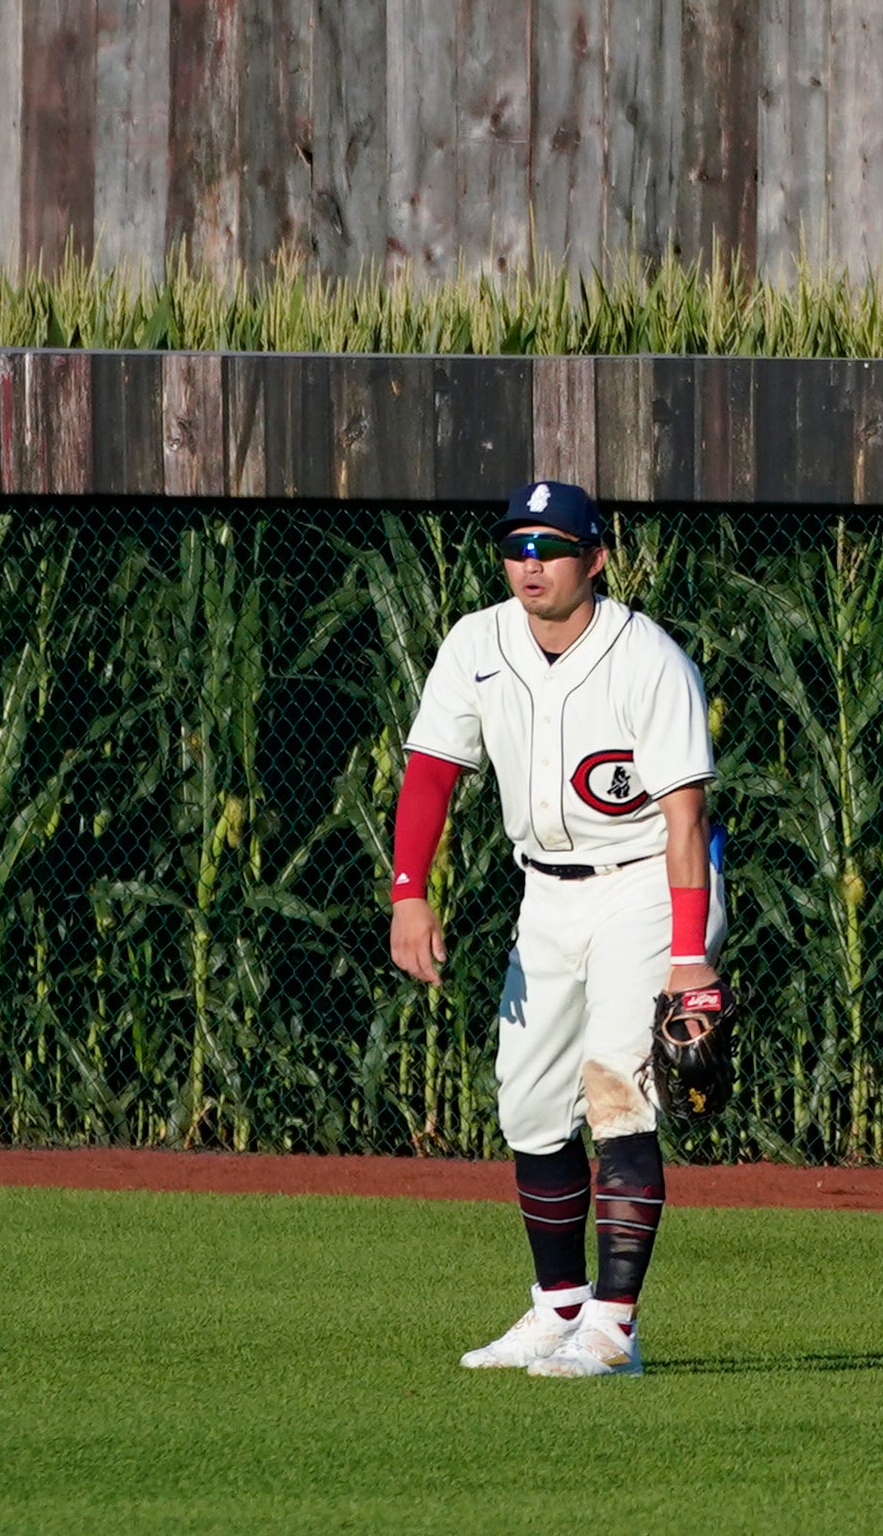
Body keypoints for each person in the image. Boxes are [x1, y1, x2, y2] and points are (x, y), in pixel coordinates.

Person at [388, 478, 719, 1379]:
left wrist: (689, 952)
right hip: (547, 891)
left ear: (597, 558)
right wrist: (408, 890)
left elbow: (685, 817)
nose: (531, 562)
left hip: (648, 883)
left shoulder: (647, 657)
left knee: (617, 1089)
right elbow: (430, 770)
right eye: (517, 545)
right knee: (530, 1103)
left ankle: (613, 1330)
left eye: (553, 546)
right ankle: (558, 1307)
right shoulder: (477, 641)